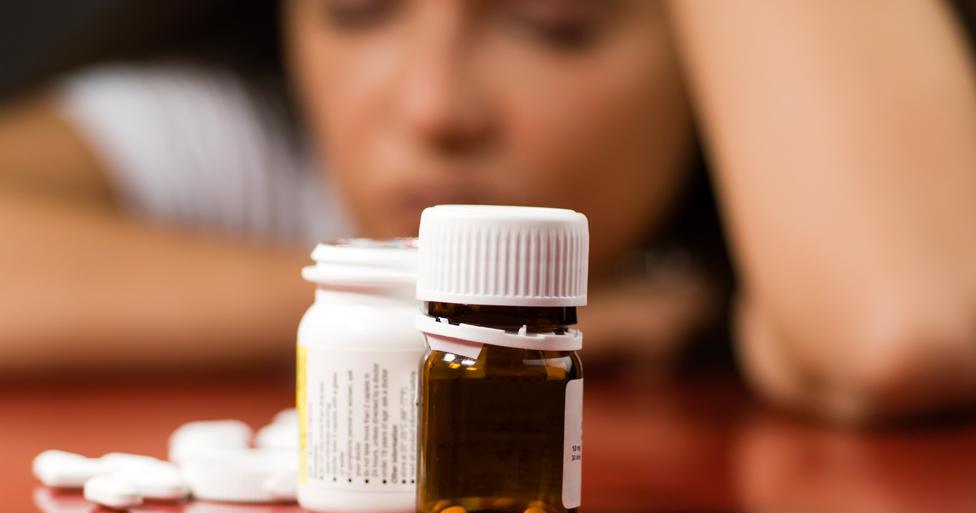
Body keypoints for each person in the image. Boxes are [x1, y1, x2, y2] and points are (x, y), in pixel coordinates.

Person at [1, 0, 975, 423]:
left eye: (553, 26)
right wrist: (391, 298)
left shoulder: (811, 184)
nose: (431, 106)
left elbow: (906, 321)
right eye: (356, 10)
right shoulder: (256, 139)